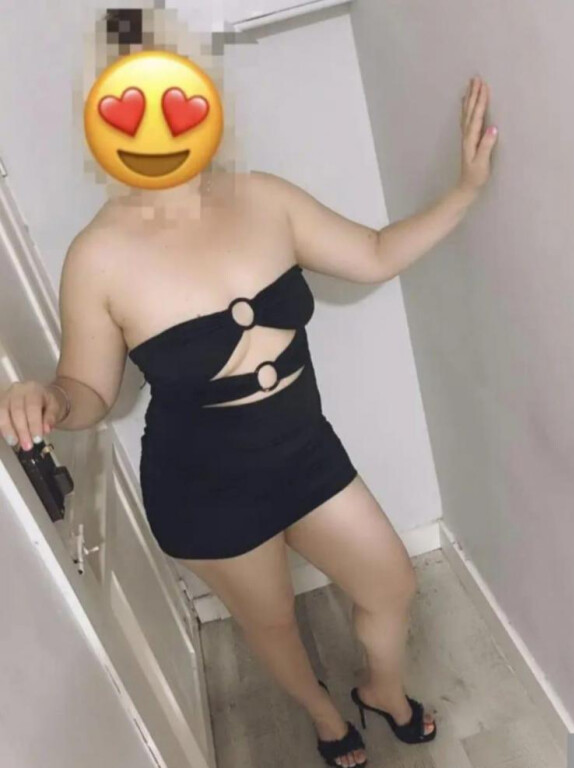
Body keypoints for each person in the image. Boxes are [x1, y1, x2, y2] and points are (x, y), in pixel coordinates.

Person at [0, 13, 497, 762]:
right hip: (205, 489)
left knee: (391, 583)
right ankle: (325, 719)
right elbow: (88, 388)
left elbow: (372, 252)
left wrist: (463, 190)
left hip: (305, 452)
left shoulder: (264, 197)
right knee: (273, 625)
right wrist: (50, 398)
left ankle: (381, 690)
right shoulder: (97, 256)